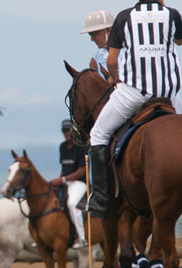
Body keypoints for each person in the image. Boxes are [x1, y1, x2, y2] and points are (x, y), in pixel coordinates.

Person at [88, 0, 182, 218]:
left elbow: (111, 60)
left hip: (135, 93)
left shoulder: (124, 17)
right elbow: (179, 40)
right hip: (170, 93)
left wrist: (115, 78)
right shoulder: (173, 15)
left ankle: (102, 199)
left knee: (98, 133)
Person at [50, 120, 88, 249]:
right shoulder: (62, 147)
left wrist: (62, 180)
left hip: (79, 183)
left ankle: (81, 237)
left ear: (73, 131)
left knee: (72, 204)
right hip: (66, 181)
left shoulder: (80, 147)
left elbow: (82, 171)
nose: (66, 133)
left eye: (68, 130)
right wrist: (59, 181)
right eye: (64, 130)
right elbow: (64, 167)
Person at [80, 9, 115, 76]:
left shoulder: (128, 51)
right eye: (90, 35)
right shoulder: (97, 57)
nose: (92, 39)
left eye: (95, 34)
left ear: (108, 30)